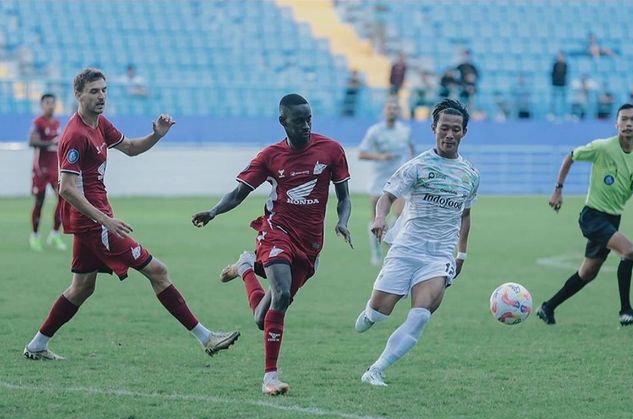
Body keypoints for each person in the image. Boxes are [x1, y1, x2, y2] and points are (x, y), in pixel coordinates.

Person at [22, 68, 240, 361]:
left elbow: (131, 148)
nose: (101, 96)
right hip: (94, 223)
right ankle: (206, 338)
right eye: (94, 91)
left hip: (94, 221)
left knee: (82, 287)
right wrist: (105, 220)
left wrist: (156, 135)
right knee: (158, 271)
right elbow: (67, 188)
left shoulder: (99, 124)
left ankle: (37, 345)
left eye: (104, 90)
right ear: (78, 95)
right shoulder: (74, 135)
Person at [191, 94, 353, 396]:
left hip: (310, 243)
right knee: (280, 294)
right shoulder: (270, 156)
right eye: (299, 121)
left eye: (309, 120)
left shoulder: (331, 150)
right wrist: (213, 212)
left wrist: (342, 221)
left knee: (261, 320)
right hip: (277, 231)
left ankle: (245, 268)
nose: (305, 126)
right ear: (283, 122)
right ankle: (270, 378)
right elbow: (239, 193)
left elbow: (344, 198)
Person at [354, 99, 480, 386]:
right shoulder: (418, 166)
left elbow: (466, 215)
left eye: (456, 130)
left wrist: (461, 254)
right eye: (444, 128)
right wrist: (379, 218)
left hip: (439, 256)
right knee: (379, 312)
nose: (450, 135)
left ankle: (376, 370)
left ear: (464, 133)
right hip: (407, 248)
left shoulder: (470, 175)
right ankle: (370, 314)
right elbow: (387, 195)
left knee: (421, 314)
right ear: (434, 128)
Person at [537, 103, 633, 327]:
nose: (628, 123)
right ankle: (625, 311)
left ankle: (547, 307)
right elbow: (571, 156)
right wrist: (558, 189)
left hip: (613, 218)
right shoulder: (603, 147)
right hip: (592, 216)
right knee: (629, 251)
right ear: (616, 123)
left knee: (587, 273)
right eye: (624, 119)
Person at [359, 99, 415, 265]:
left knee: (400, 214)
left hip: (399, 179)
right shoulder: (374, 131)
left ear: (399, 112)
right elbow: (362, 153)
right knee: (377, 217)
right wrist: (380, 157)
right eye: (389, 108)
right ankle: (376, 250)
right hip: (379, 179)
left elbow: (411, 148)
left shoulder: (405, 130)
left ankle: (392, 245)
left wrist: (411, 162)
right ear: (384, 111)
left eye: (395, 108)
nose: (392, 111)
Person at [28, 93, 65, 252]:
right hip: (40, 170)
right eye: (47, 102)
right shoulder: (38, 122)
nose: (50, 105)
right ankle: (35, 236)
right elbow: (32, 141)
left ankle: (55, 234)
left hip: (55, 169)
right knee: (39, 202)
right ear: (42, 105)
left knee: (64, 200)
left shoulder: (57, 123)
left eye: (53, 102)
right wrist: (52, 142)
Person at [549, 51, 568, 119]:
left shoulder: (565, 65)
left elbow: (565, 74)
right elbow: (552, 74)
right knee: (553, 100)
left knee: (564, 100)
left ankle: (565, 114)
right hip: (555, 84)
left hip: (563, 84)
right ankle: (552, 114)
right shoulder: (555, 64)